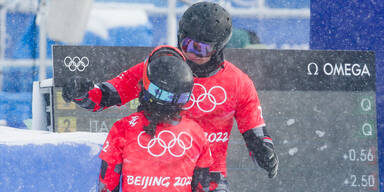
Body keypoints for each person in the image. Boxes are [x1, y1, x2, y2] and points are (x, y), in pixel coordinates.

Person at [62, 2, 278, 191]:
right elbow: (107, 95)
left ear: (218, 48)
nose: (191, 53)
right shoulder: (160, 67)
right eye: (186, 44)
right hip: (156, 174)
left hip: (209, 176)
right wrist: (81, 93)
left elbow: (254, 130)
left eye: (201, 49)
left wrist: (263, 150)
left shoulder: (238, 82)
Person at [97, 46, 213, 192]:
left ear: (145, 86)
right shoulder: (196, 133)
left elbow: (107, 185)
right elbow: (203, 187)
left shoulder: (123, 128)